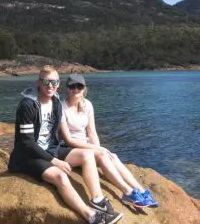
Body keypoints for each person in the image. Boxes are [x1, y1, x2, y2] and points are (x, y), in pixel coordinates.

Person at [8, 65, 123, 224]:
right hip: (27, 156)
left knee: (87, 154)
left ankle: (98, 200)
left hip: (50, 149)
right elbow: (26, 143)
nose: (50, 86)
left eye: (54, 82)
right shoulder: (28, 105)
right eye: (46, 81)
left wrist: (58, 154)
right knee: (60, 176)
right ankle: (91, 217)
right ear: (38, 82)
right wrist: (54, 161)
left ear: (58, 83)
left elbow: (57, 135)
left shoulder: (56, 103)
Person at [59, 73, 159, 208]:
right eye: (72, 86)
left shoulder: (87, 105)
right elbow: (68, 140)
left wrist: (99, 150)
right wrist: (99, 151)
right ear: (66, 88)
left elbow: (92, 132)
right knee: (102, 153)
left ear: (84, 89)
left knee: (112, 156)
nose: (76, 89)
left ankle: (140, 190)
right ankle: (127, 192)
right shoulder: (61, 108)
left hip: (87, 147)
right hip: (71, 149)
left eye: (79, 86)